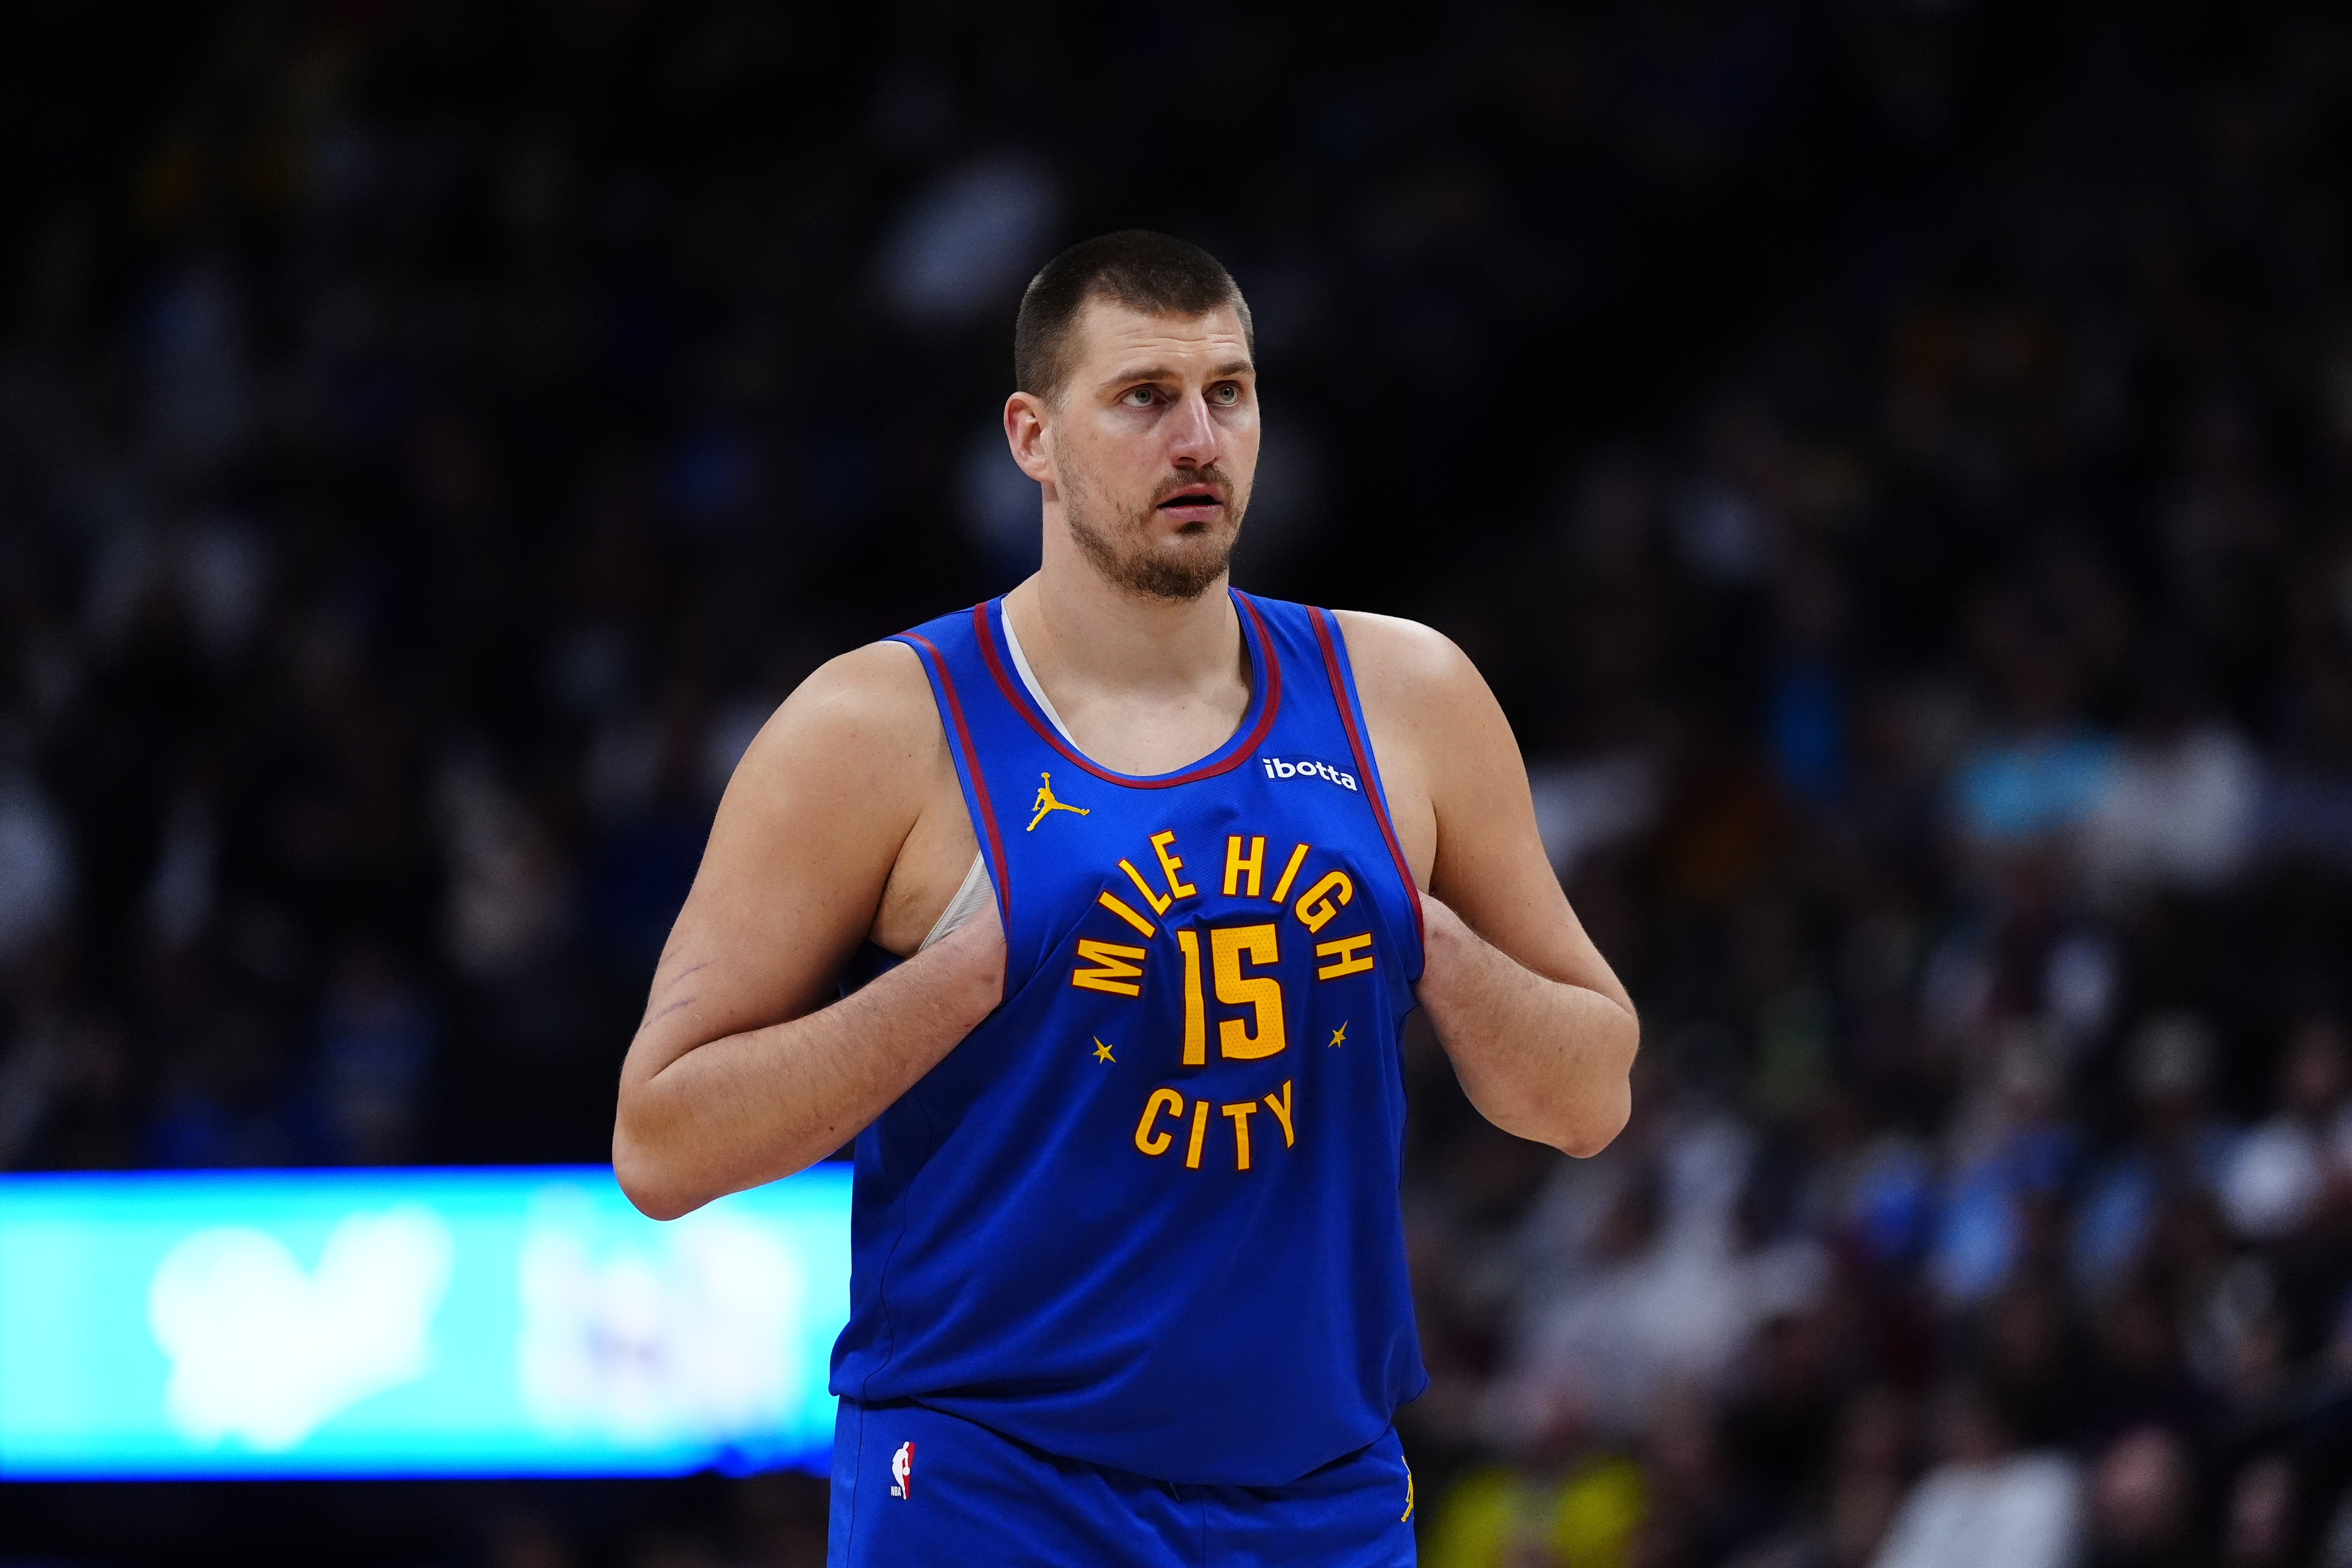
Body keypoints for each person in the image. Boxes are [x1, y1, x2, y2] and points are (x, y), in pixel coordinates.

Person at [612, 230, 1640, 1566]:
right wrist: (962, 974)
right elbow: (664, 1142)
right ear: (1032, 437)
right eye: (1145, 397)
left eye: (1230, 392)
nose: (1199, 439)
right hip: (993, 1485)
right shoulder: (876, 725)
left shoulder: (1407, 696)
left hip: (1318, 1497)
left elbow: (1590, 1096)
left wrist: (1431, 933)